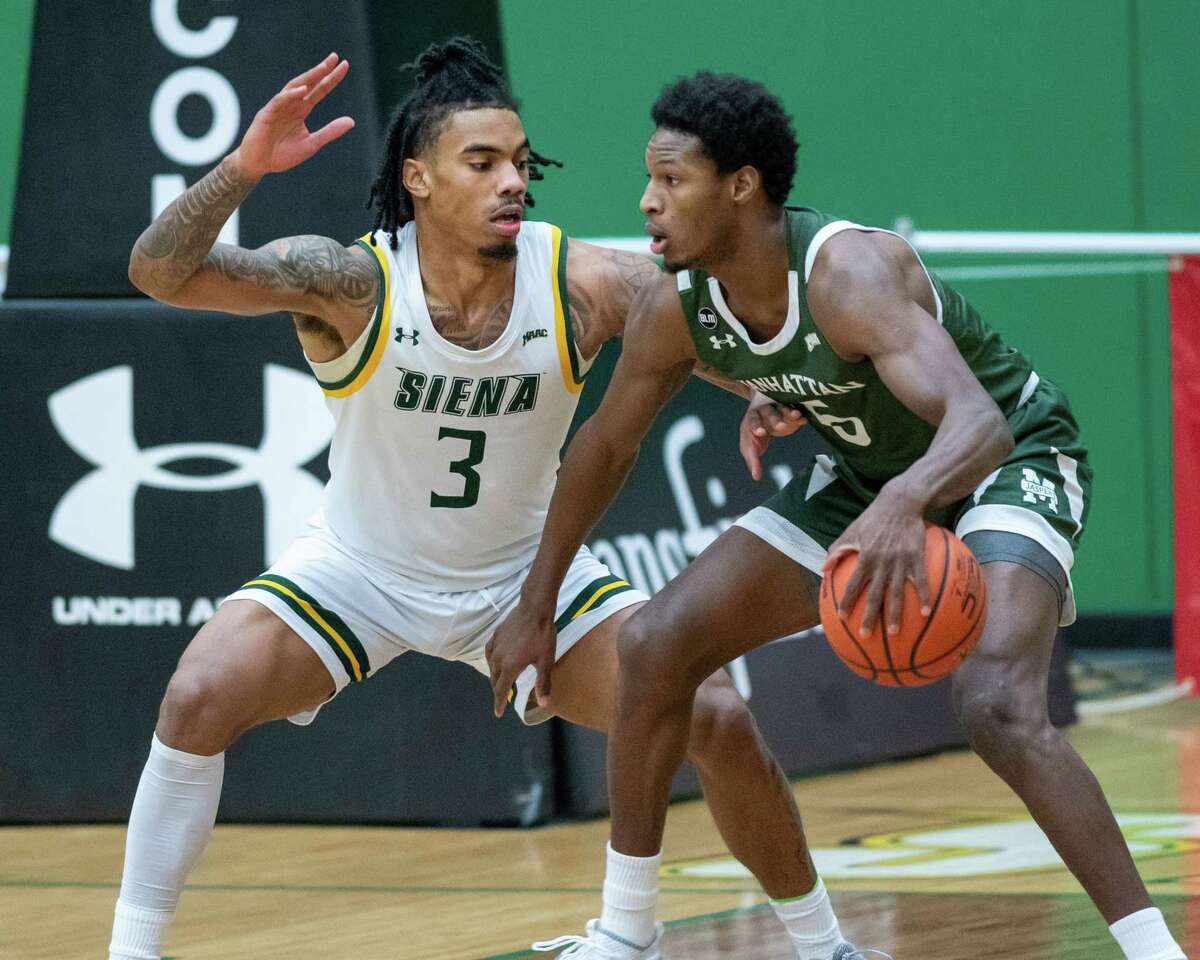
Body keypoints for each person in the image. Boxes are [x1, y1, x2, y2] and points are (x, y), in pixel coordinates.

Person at [111, 40, 867, 960]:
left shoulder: (582, 282)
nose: (513, 180)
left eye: (521, 162)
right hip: (358, 571)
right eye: (483, 163)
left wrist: (757, 388)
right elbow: (158, 273)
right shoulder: (352, 282)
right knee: (195, 697)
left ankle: (827, 946)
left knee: (716, 716)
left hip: (525, 578)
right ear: (418, 179)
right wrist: (242, 167)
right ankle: (132, 952)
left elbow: (697, 328)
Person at [488, 71, 1188, 960]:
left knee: (995, 703)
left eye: (671, 181)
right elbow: (602, 450)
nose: (647, 202)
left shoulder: (848, 272)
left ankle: (1153, 949)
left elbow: (978, 420)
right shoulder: (678, 307)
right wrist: (536, 605)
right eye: (649, 179)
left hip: (1007, 459)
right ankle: (629, 935)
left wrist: (904, 501)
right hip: (867, 474)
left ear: (741, 185)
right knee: (655, 644)